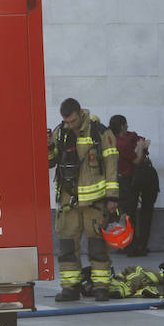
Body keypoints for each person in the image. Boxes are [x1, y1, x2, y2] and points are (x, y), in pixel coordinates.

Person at [48, 98, 119, 301]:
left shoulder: (100, 132)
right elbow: (50, 162)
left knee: (98, 247)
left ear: (80, 113)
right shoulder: (60, 133)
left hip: (95, 203)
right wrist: (47, 146)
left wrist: (113, 196)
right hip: (68, 202)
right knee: (67, 246)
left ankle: (101, 287)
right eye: (66, 121)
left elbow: (112, 164)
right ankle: (70, 288)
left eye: (71, 121)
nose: (69, 125)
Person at [108, 115, 159, 257]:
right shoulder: (119, 142)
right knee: (129, 213)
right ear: (122, 125)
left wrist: (140, 147)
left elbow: (142, 142)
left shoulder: (129, 137)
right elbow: (137, 158)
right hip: (129, 180)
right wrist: (140, 148)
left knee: (137, 212)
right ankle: (132, 246)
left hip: (141, 177)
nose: (128, 127)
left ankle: (138, 244)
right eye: (125, 124)